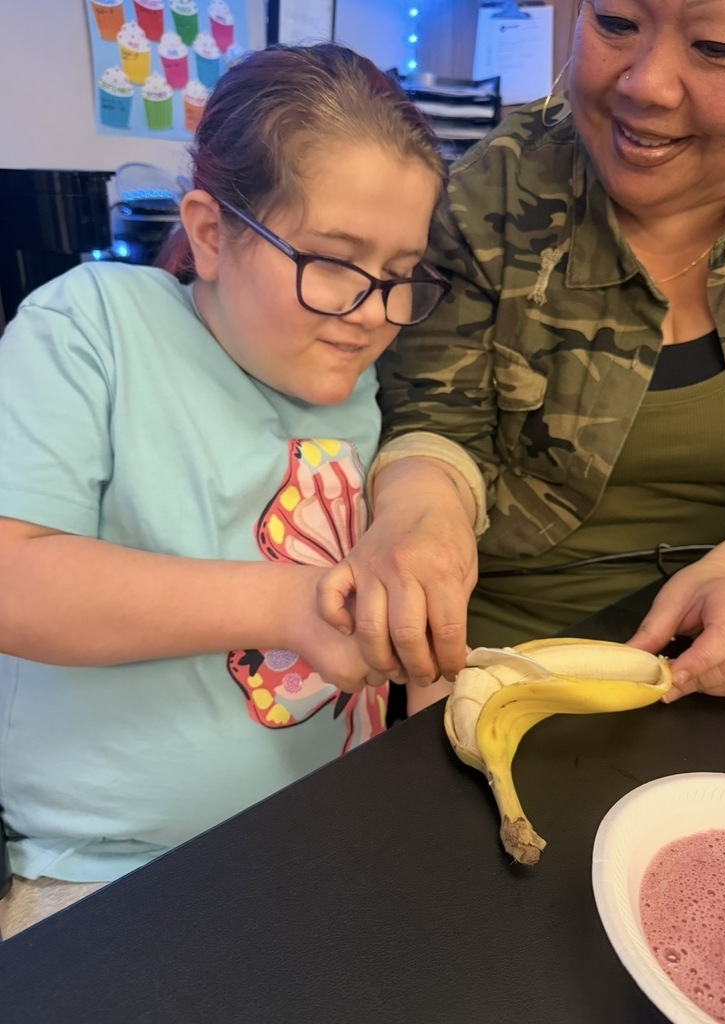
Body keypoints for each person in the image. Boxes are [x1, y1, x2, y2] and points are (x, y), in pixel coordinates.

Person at [0, 43, 449, 938]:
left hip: (325, 833)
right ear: (210, 232)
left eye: (401, 277)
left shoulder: (353, 382)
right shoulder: (94, 325)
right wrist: (287, 606)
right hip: (107, 876)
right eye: (331, 261)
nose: (370, 312)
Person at [318, 0, 725, 706]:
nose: (646, 85)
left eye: (717, 47)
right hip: (505, 658)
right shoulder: (491, 194)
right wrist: (422, 524)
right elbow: (434, 421)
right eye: (615, 24)